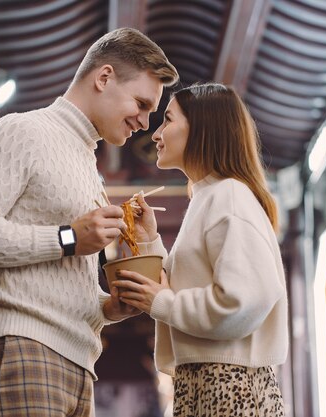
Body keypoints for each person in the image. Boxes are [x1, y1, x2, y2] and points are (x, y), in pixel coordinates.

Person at [0, 28, 178, 417]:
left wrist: (107, 308)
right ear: (103, 78)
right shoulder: (23, 130)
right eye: (141, 102)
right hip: (22, 347)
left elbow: (55, 278)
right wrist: (68, 237)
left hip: (76, 361)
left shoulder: (88, 165)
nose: (145, 121)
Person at [112, 83, 288, 416]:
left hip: (228, 383)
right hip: (210, 381)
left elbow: (245, 298)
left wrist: (162, 303)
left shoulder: (228, 196)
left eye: (168, 120)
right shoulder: (210, 196)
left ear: (201, 129)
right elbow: (196, 285)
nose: (156, 134)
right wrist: (150, 240)